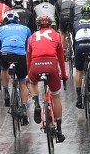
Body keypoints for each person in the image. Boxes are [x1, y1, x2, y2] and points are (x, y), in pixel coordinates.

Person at [26, 14, 67, 142]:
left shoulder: (32, 37)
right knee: (55, 96)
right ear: (51, 25)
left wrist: (29, 75)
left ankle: (37, 103)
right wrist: (64, 75)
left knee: (33, 83)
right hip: (51, 65)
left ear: (38, 26)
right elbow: (61, 58)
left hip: (35, 65)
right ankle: (59, 130)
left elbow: (28, 58)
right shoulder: (56, 35)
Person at [0, 10, 32, 125]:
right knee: (22, 82)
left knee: (4, 69)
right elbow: (28, 47)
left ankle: (6, 90)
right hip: (20, 54)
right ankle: (24, 107)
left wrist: (0, 64)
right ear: (17, 20)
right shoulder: (25, 29)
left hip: (5, 53)